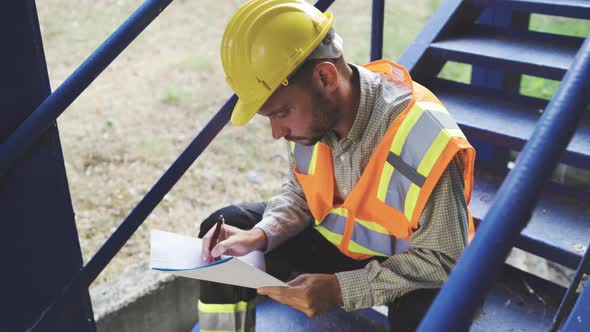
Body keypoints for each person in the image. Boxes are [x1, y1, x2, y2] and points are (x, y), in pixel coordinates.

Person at [197, 1, 476, 331]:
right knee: (222, 227)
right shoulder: (311, 116)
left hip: (405, 263)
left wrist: (341, 288)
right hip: (335, 243)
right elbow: (301, 196)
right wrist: (260, 234)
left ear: (326, 76)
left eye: (280, 113)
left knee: (431, 315)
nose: (277, 133)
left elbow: (445, 259)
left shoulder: (424, 137)